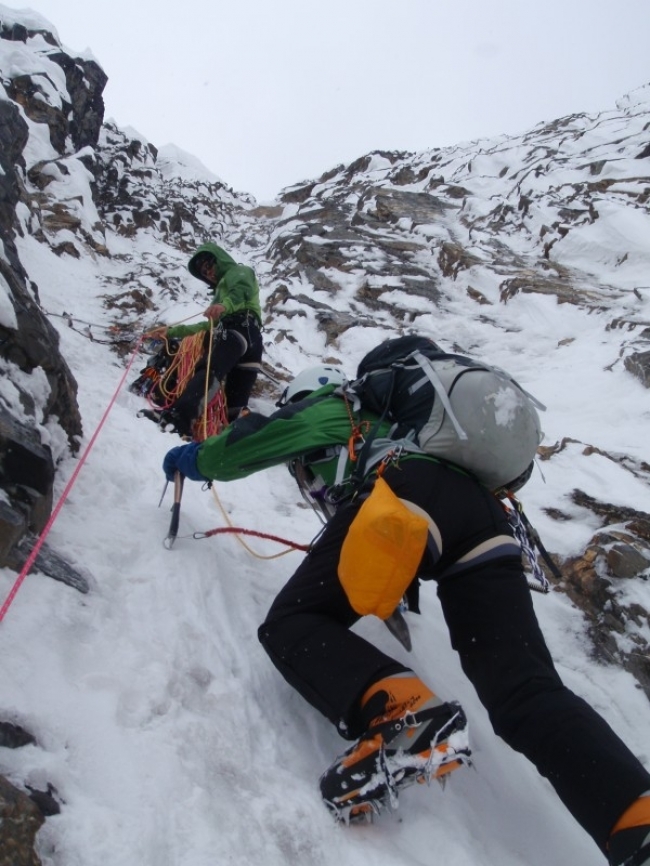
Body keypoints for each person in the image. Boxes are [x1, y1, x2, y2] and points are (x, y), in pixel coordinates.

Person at [161, 361, 650, 864]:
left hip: (411, 493)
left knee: (294, 621)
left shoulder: (339, 406)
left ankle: (405, 716)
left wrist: (192, 459)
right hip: (487, 519)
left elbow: (253, 443)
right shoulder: (414, 431)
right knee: (525, 689)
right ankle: (634, 819)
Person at [148, 242, 263, 436]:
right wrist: (170, 332)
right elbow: (204, 326)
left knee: (209, 370)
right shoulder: (220, 297)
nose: (208, 273)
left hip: (238, 329)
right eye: (203, 272)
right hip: (253, 342)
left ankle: (179, 418)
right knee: (236, 402)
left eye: (209, 266)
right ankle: (235, 442)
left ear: (219, 260)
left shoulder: (239, 272)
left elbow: (240, 291)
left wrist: (224, 305)